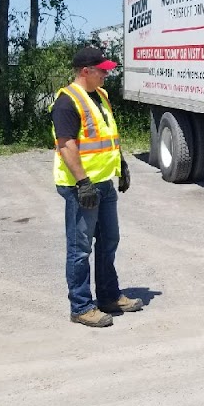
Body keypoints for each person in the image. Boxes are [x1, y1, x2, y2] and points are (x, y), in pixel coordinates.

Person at [52, 45, 142, 328]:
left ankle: (108, 296)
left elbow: (107, 134)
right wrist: (83, 183)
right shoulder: (67, 101)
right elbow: (66, 145)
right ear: (84, 71)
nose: (106, 75)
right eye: (101, 71)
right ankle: (80, 306)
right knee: (80, 249)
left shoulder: (100, 95)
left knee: (109, 240)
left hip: (104, 182)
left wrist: (121, 164)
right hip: (81, 187)